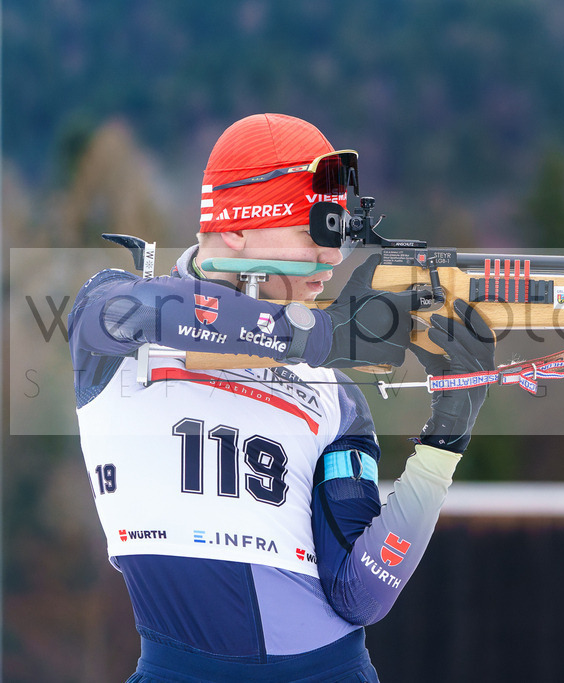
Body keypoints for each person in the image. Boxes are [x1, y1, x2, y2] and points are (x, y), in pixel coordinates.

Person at [68, 113, 495, 682]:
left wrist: (445, 439)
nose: (333, 257)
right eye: (315, 230)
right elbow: (142, 311)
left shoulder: (337, 397)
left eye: (340, 235)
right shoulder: (118, 319)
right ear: (238, 230)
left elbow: (362, 594)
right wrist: (323, 336)